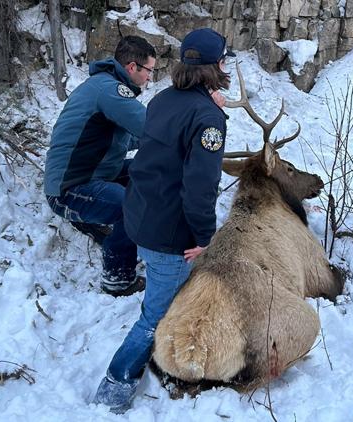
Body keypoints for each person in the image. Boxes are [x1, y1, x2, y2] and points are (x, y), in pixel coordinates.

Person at [92, 28, 235, 413]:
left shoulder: (164, 99)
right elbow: (199, 188)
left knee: (161, 297)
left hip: (142, 218)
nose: (225, 66)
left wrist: (209, 108)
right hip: (170, 235)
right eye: (223, 60)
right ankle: (115, 386)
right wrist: (205, 235)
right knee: (154, 316)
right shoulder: (208, 119)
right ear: (214, 67)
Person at [43, 36, 156, 297]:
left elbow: (128, 139)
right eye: (149, 70)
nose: (150, 77)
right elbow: (151, 128)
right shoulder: (111, 91)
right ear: (132, 67)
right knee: (132, 206)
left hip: (96, 173)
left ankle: (123, 232)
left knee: (148, 169)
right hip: (69, 189)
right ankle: (118, 279)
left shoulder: (103, 87)